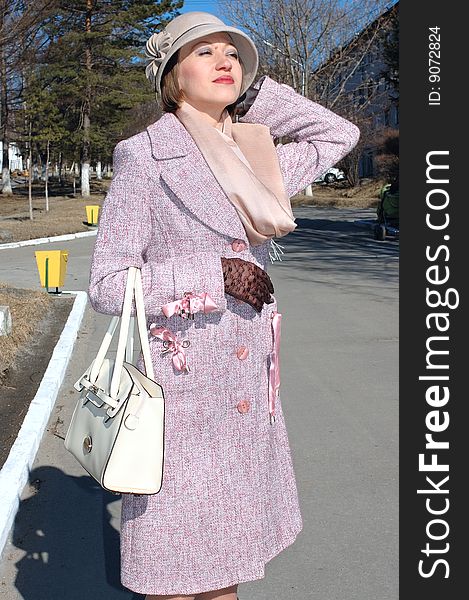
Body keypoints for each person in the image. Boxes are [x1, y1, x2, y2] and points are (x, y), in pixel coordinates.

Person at [88, 11, 360, 600]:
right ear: (171, 76)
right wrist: (213, 274)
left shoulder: (257, 157)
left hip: (244, 396)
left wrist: (259, 92)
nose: (224, 61)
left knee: (223, 573)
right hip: (180, 405)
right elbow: (108, 284)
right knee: (170, 576)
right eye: (204, 52)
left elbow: (338, 135)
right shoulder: (143, 157)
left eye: (234, 55)